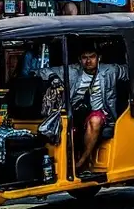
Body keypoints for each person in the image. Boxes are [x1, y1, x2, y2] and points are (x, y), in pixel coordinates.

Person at [39, 42, 127, 171]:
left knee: (95, 120)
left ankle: (82, 162)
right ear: (80, 60)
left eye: (92, 57)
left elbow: (130, 71)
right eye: (85, 58)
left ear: (99, 58)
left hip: (99, 112)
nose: (88, 61)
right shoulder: (72, 71)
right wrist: (53, 77)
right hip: (75, 111)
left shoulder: (110, 71)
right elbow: (42, 71)